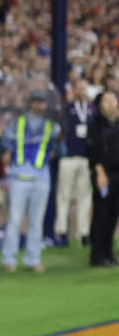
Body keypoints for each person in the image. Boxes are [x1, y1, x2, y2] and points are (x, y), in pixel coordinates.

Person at [0, 91, 63, 273]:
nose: (38, 105)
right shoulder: (16, 122)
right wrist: (5, 151)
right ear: (30, 103)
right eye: (35, 101)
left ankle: (33, 259)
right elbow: (4, 142)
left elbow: (60, 151)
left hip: (42, 177)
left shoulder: (53, 126)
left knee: (36, 221)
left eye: (41, 102)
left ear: (45, 105)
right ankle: (8, 259)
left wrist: (57, 148)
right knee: (15, 219)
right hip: (19, 177)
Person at [57, 81, 93, 247]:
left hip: (86, 156)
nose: (81, 91)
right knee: (64, 194)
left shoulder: (92, 108)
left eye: (83, 88)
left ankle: (83, 233)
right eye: (79, 88)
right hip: (69, 156)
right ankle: (61, 230)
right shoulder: (67, 108)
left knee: (84, 196)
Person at [85, 91, 119, 267]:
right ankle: (97, 255)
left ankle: (108, 252)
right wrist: (100, 172)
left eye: (113, 99)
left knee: (113, 215)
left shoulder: (117, 124)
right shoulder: (96, 125)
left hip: (117, 173)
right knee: (101, 214)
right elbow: (93, 151)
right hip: (103, 174)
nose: (110, 103)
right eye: (106, 100)